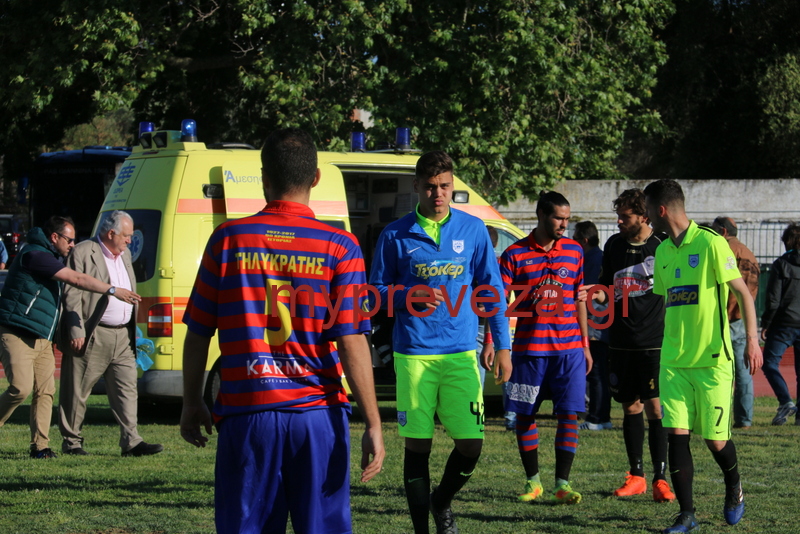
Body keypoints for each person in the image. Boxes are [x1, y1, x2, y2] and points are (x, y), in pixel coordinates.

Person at [179, 128, 384, 534]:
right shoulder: (340, 246)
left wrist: (191, 401)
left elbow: (198, 332)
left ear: (264, 178)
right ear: (316, 178)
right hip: (317, 415)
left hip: (247, 413)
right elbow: (351, 339)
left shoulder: (227, 240)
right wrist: (374, 423)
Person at [369, 150, 511, 534]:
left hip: (461, 353)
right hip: (414, 354)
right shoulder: (394, 234)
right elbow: (374, 294)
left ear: (453, 186)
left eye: (445, 186)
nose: (438, 194)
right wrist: (405, 296)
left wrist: (503, 345)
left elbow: (492, 292)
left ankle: (442, 500)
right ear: (417, 186)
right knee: (418, 447)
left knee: (471, 445)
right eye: (431, 187)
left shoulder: (473, 230)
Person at [644, 179, 762, 533]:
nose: (646, 217)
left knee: (715, 440)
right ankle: (686, 515)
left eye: (648, 210)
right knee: (676, 436)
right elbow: (666, 304)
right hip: (673, 363)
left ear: (661, 210)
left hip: (712, 362)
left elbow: (743, 293)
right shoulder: (662, 251)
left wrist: (752, 341)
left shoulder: (711, 243)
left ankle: (734, 485)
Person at [0, 216, 140, 458]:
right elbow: (77, 279)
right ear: (54, 237)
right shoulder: (35, 255)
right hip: (17, 332)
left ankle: (40, 447)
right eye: (69, 240)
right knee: (20, 388)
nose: (73, 245)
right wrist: (112, 290)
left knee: (45, 392)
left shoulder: (54, 257)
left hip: (43, 337)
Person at [499, 191, 592, 506]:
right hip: (530, 350)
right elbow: (498, 302)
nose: (564, 224)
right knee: (525, 414)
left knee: (569, 414)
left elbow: (579, 299)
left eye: (567, 219)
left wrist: (585, 344)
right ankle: (533, 482)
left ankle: (563, 484)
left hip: (569, 350)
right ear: (541, 215)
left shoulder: (575, 251)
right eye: (558, 218)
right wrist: (495, 343)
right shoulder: (514, 254)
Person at [582, 189, 675, 503]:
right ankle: (636, 476)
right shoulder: (613, 245)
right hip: (620, 342)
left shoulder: (663, 245)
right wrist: (593, 294)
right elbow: (607, 288)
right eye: (618, 215)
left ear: (644, 216)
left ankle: (661, 479)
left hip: (655, 342)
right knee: (630, 406)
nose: (619, 221)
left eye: (625, 216)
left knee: (655, 407)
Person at [58, 210, 163, 457]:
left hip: (123, 336)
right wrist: (76, 329)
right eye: (126, 235)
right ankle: (72, 443)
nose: (130, 240)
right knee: (77, 391)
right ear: (111, 233)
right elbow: (71, 294)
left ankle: (132, 442)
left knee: (127, 389)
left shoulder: (124, 255)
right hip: (93, 334)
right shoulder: (83, 252)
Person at [710, 216, 760, 428]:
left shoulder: (725, 249)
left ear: (722, 231)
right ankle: (744, 418)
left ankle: (713, 414)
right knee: (743, 372)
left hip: (725, 317)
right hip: (741, 318)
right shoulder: (748, 253)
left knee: (713, 370)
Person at [572, 221, 611, 432]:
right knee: (598, 372)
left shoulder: (592, 260)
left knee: (596, 373)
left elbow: (585, 293)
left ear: (584, 241)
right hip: (598, 322)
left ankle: (597, 417)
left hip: (595, 323)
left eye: (575, 239)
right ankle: (601, 416)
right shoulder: (598, 257)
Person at [760, 223, 800, 426]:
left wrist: (766, 323)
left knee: (769, 362)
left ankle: (785, 401)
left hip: (784, 323)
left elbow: (773, 299)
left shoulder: (781, 264)